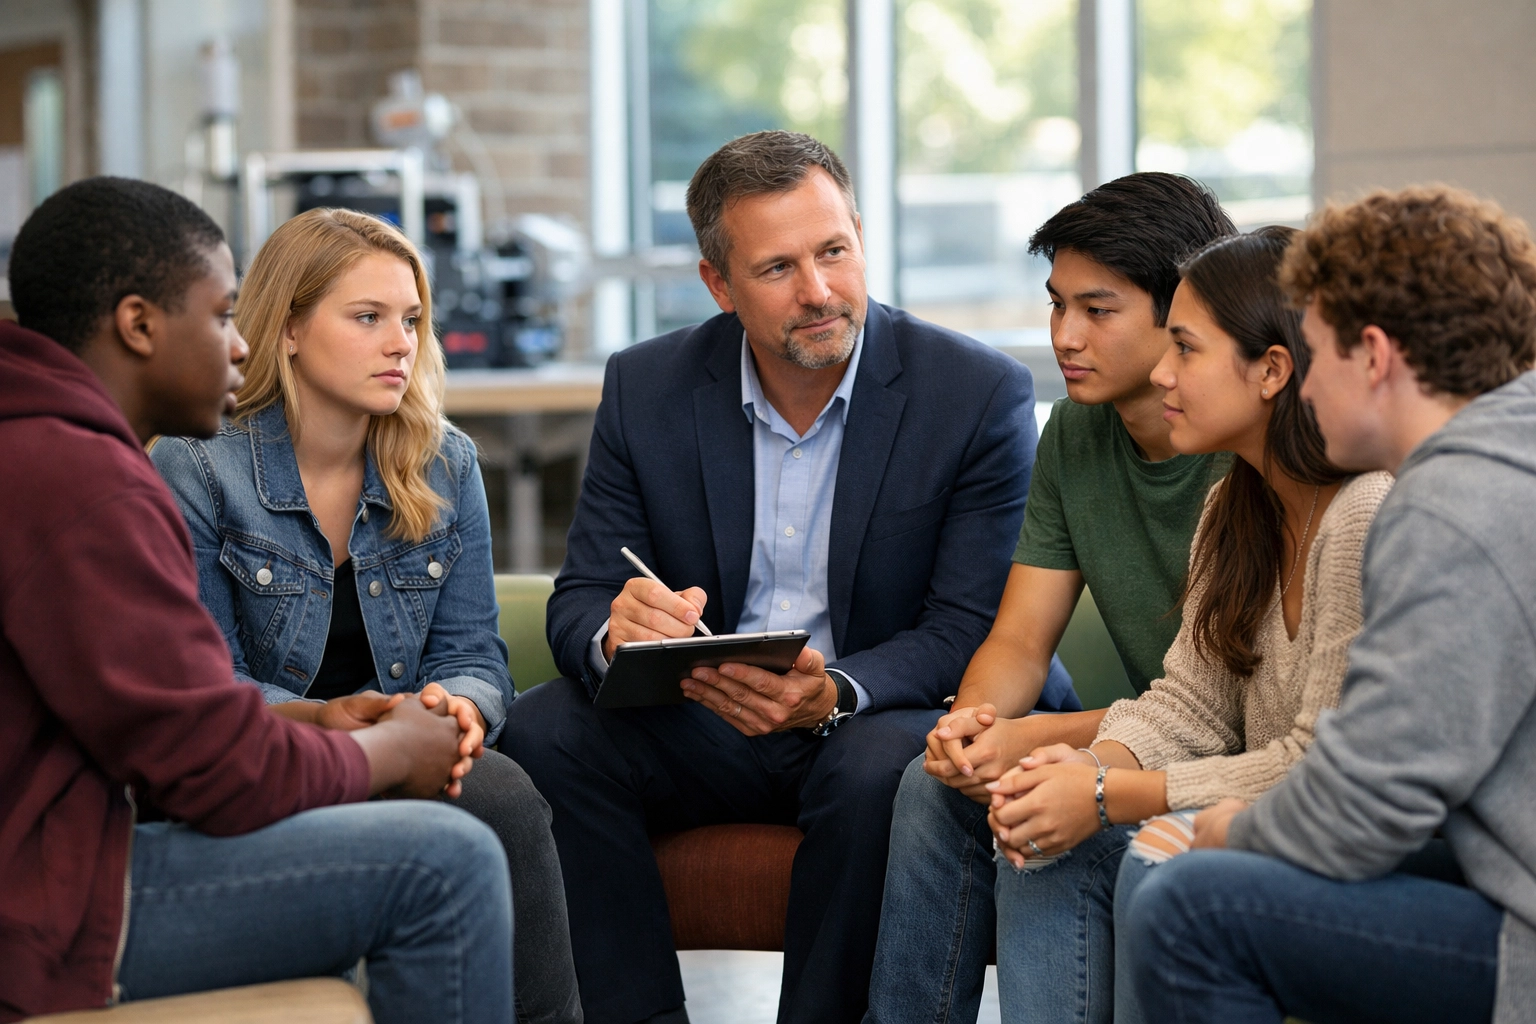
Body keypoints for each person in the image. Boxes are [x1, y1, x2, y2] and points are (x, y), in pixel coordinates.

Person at [499, 129, 1055, 1024]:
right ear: (719, 285)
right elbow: (582, 595)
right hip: (707, 717)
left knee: (878, 769)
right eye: (777, 269)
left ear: (861, 236)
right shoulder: (646, 386)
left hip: (872, 711)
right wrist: (615, 630)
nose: (819, 291)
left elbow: (968, 625)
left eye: (834, 251)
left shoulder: (974, 392)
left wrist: (833, 692)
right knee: (545, 728)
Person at [0, 177, 511, 1024]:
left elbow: (162, 718)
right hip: (44, 901)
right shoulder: (88, 483)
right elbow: (209, 768)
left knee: (501, 801)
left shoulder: (38, 445)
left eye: (412, 320)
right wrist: (389, 751)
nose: (240, 345)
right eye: (222, 315)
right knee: (443, 863)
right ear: (139, 325)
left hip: (60, 851)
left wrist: (337, 721)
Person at [150, 206, 581, 1024]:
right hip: (268, 757)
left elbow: (473, 655)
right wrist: (347, 731)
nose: (400, 345)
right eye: (368, 318)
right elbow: (208, 685)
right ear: (288, 329)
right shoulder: (197, 467)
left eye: (411, 320)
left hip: (410, 747)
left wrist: (452, 711)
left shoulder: (445, 462)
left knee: (501, 792)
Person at [1124, 187, 1536, 1024]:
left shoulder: (1451, 505)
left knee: (1191, 906)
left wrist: (1233, 831)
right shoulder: (1502, 458)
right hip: (1501, 871)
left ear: (1373, 355)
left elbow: (1370, 804)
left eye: (1314, 353)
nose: (1305, 389)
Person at [982, 226, 1392, 1023]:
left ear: (1272, 370)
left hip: (1339, 841)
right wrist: (1078, 773)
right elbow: (1192, 705)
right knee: (1043, 847)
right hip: (1244, 810)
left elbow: (1321, 766)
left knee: (1155, 862)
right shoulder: (1232, 505)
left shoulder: (1366, 512)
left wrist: (1104, 793)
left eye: (1186, 349)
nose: (1162, 373)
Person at [865, 173, 1235, 1023]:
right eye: (1057, 305)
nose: (1065, 336)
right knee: (932, 785)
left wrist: (1035, 739)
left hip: (1216, 761)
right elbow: (1020, 639)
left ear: (1184, 312)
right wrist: (973, 729)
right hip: (1139, 740)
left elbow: (1231, 713)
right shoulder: (1074, 429)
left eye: (1097, 310)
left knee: (1043, 806)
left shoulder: (1244, 446)